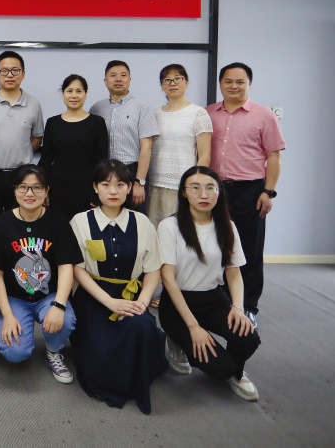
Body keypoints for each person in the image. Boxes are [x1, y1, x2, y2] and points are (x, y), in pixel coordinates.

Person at [68, 159, 167, 414]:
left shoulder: (142, 223)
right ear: (95, 187)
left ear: (129, 188)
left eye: (120, 184)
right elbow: (78, 270)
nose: (113, 191)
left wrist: (142, 303)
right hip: (93, 297)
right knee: (98, 356)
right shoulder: (80, 221)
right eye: (105, 184)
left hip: (132, 296)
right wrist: (109, 302)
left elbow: (153, 269)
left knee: (140, 327)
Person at [158, 166, 262, 401]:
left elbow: (234, 274)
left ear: (219, 192)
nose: (203, 195)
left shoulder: (227, 226)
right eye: (195, 188)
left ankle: (237, 373)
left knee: (248, 339)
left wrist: (238, 308)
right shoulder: (169, 226)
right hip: (178, 304)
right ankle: (178, 339)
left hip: (214, 299)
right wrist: (194, 327)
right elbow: (168, 280)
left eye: (210, 188)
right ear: (184, 192)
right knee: (220, 369)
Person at [206, 63, 285, 327]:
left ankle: (248, 306)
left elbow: (274, 157)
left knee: (248, 248)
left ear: (249, 84)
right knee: (215, 245)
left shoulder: (264, 116)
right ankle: (222, 301)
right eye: (228, 81)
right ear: (220, 84)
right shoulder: (208, 114)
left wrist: (268, 191)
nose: (234, 86)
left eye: (240, 81)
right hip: (214, 189)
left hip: (250, 190)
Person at [0, 165, 81, 383]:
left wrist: (59, 305)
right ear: (15, 190)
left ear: (47, 190)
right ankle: (15, 329)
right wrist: (7, 315)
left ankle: (53, 350)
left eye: (37, 187)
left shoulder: (58, 221)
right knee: (15, 353)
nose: (29, 193)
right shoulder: (2, 223)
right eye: (23, 187)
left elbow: (66, 267)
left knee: (66, 320)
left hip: (48, 296)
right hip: (15, 299)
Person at [0, 51, 44, 221]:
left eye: (15, 70)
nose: (9, 75)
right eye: (4, 71)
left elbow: (37, 138)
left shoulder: (33, 104)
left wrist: (20, 152)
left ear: (23, 74)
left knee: (18, 221)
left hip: (21, 175)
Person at [148, 63, 213, 227]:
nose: (173, 83)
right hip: (155, 183)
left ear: (187, 82)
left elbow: (205, 155)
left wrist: (195, 184)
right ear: (162, 86)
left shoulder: (198, 113)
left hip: (183, 184)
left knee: (182, 229)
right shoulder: (154, 114)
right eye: (167, 80)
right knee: (155, 230)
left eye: (178, 78)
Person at [90, 61, 159, 213]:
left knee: (134, 220)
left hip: (132, 174)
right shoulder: (97, 108)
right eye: (113, 75)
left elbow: (147, 147)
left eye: (123, 75)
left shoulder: (142, 107)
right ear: (105, 81)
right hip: (104, 175)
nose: (118, 79)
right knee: (105, 219)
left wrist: (139, 182)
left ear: (130, 79)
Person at [39, 74, 109, 220]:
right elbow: (46, 160)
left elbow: (102, 162)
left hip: (87, 188)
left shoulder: (97, 123)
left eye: (79, 91)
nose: (74, 95)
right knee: (59, 226)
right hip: (58, 187)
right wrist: (44, 189)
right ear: (63, 94)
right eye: (69, 91)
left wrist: (97, 192)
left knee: (85, 228)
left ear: (85, 95)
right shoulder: (52, 123)